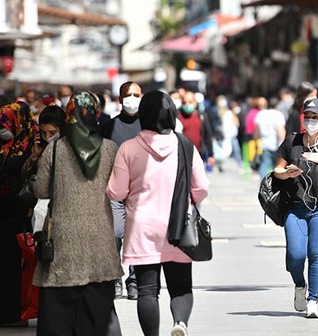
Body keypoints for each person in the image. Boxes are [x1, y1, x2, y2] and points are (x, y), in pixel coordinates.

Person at [107, 91, 209, 336]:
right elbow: (202, 187)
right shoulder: (184, 144)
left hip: (142, 226)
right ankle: (180, 323)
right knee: (181, 286)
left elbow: (116, 191)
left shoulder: (128, 148)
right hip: (178, 226)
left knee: (147, 290)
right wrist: (190, 199)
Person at [33, 90, 123, 335]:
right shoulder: (111, 149)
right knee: (98, 309)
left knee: (59, 311)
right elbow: (118, 190)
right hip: (99, 238)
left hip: (63, 240)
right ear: (95, 114)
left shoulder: (54, 150)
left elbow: (41, 189)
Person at [273, 97, 318, 318]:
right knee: (295, 255)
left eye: (316, 117)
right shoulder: (292, 142)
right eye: (308, 117)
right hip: (295, 208)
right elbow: (276, 170)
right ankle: (299, 285)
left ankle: (313, 300)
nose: (311, 121)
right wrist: (287, 173)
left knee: (316, 253)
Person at [99, 81, 143, 300]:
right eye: (128, 95)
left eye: (136, 94)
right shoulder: (108, 127)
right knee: (116, 234)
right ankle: (115, 277)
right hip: (115, 191)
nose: (132, 99)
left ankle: (133, 281)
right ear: (120, 99)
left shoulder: (148, 126)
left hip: (140, 192)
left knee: (135, 237)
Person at [0, 101, 38, 327]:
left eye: (6, 123)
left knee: (13, 264)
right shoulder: (5, 145)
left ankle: (13, 313)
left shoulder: (29, 143)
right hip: (3, 210)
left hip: (18, 212)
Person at [179, 90, 215, 170]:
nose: (187, 105)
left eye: (190, 102)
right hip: (182, 156)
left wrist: (210, 155)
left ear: (195, 103)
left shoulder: (202, 117)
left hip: (198, 155)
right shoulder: (178, 116)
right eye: (185, 102)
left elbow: (208, 136)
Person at [254, 97, 286, 178]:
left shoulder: (261, 114)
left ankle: (263, 183)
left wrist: (256, 142)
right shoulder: (278, 115)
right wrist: (283, 143)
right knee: (277, 167)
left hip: (264, 144)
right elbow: (280, 131)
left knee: (264, 164)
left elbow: (257, 132)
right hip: (277, 145)